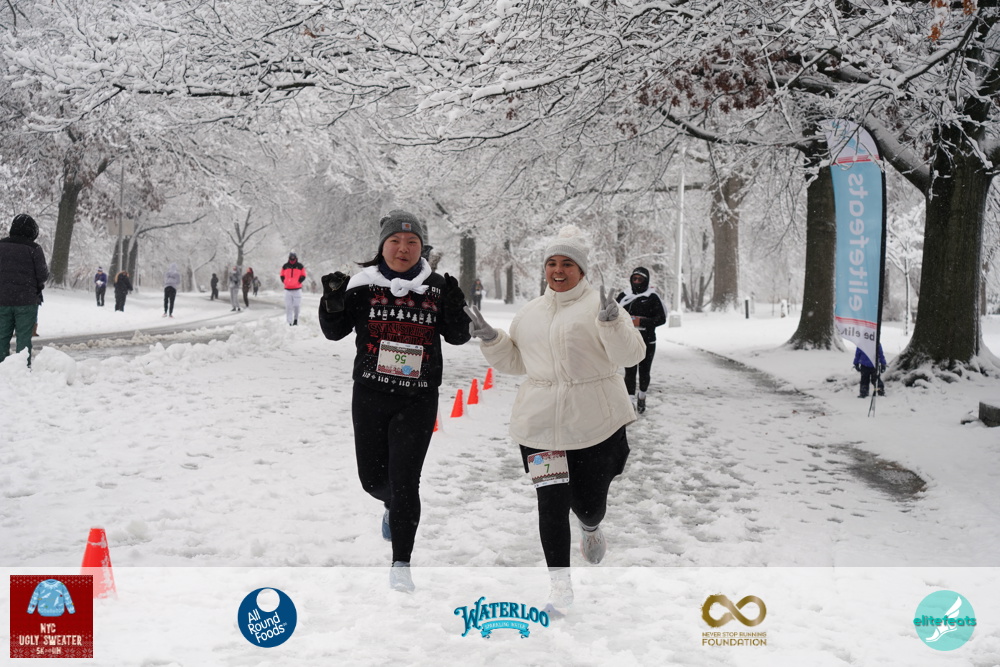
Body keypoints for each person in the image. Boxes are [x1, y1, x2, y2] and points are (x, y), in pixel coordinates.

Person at [463, 225, 646, 616]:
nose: (558, 271)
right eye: (551, 263)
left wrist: (613, 323)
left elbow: (631, 356)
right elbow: (518, 362)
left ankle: (591, 525)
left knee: (589, 504)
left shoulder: (601, 306)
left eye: (567, 263)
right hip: (540, 426)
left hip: (594, 424)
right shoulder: (530, 313)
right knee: (551, 504)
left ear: (581, 269)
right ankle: (560, 587)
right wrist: (493, 340)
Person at [318, 210, 471, 593]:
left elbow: (458, 337)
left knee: (405, 483)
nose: (403, 248)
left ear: (422, 247)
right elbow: (334, 332)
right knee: (372, 481)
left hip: (417, 399)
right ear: (382, 246)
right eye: (395, 241)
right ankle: (390, 504)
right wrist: (332, 301)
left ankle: (401, 562)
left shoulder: (437, 287)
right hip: (370, 395)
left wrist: (457, 308)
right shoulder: (362, 286)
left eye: (412, 242)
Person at [615, 267, 667, 414]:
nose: (637, 282)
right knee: (630, 371)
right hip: (628, 340)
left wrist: (642, 321)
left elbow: (661, 318)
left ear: (646, 281)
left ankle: (642, 395)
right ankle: (630, 401)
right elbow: (614, 315)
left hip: (647, 341)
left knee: (644, 372)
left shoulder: (652, 297)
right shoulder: (624, 296)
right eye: (634, 279)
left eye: (640, 279)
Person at [0, 213, 48, 367]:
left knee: (1, 337)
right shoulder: (34, 248)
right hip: (26, 301)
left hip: (2, 300)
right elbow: (42, 275)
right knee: (23, 338)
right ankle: (22, 369)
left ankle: (1, 367)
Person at [280, 252, 306, 325]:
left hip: (297, 289)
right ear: (289, 257)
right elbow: (282, 275)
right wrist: (285, 282)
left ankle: (295, 319)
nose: (292, 258)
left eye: (293, 256)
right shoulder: (285, 266)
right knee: (288, 306)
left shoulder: (300, 266)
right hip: (287, 290)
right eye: (291, 256)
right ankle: (289, 321)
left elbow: (303, 275)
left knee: (296, 306)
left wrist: (299, 281)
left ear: (295, 257)